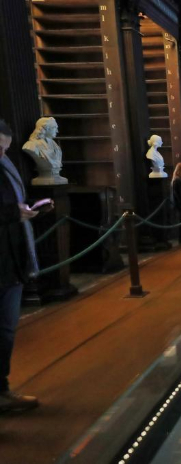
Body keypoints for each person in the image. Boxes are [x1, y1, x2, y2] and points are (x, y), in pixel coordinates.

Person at [0, 120, 44, 411]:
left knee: (6, 329)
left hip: (11, 260)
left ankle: (2, 389)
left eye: (4, 148)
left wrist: (27, 210)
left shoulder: (6, 166)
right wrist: (11, 213)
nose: (1, 153)